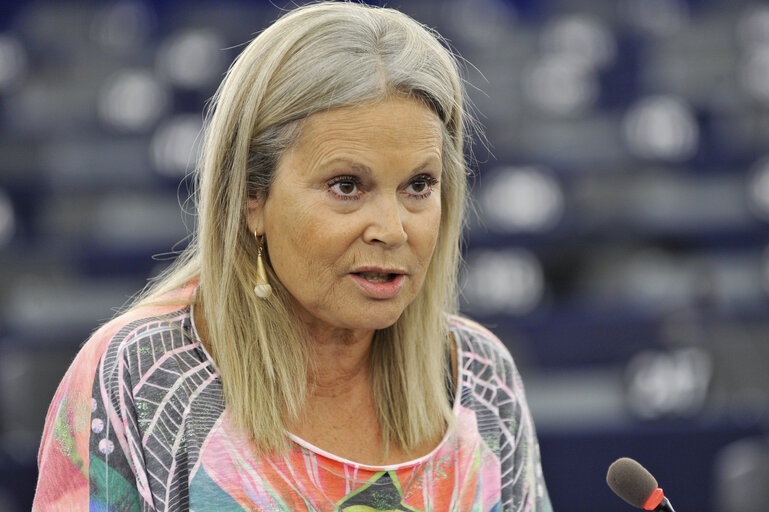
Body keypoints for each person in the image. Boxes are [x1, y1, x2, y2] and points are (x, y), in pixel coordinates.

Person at [33, 2, 552, 511]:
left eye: (419, 185)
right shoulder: (145, 374)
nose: (393, 231)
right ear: (251, 199)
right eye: (347, 186)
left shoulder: (481, 375)